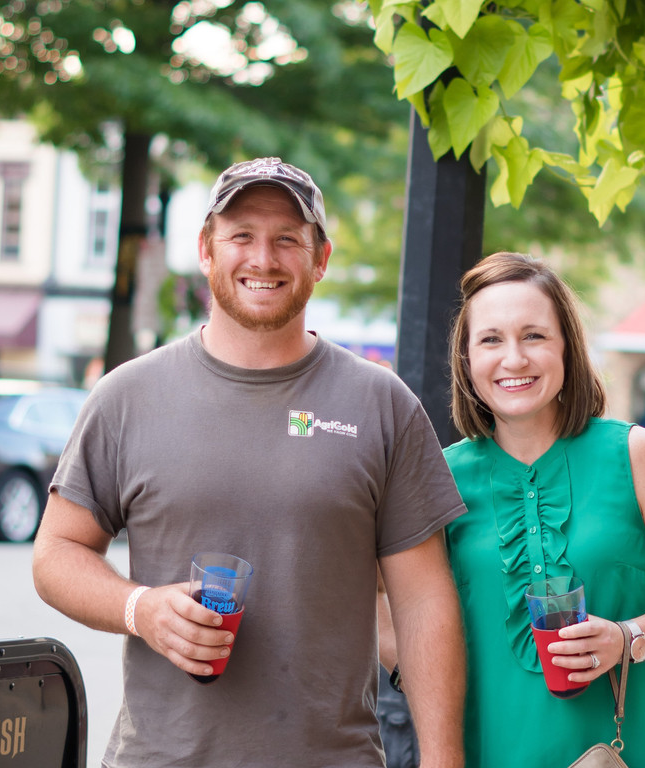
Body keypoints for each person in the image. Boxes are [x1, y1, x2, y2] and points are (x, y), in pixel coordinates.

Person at [32, 157, 467, 768]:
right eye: (242, 236)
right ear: (207, 249)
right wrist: (143, 609)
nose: (263, 259)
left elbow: (424, 601)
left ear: (321, 258)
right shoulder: (127, 397)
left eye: (288, 239)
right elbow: (56, 554)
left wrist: (443, 761)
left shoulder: (381, 403)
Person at [442, 252, 645, 768]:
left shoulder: (634, 454)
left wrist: (629, 638)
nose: (513, 359)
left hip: (622, 752)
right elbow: (387, 606)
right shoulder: (441, 478)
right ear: (467, 360)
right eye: (490, 340)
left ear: (567, 349)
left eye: (534, 335)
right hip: (490, 749)